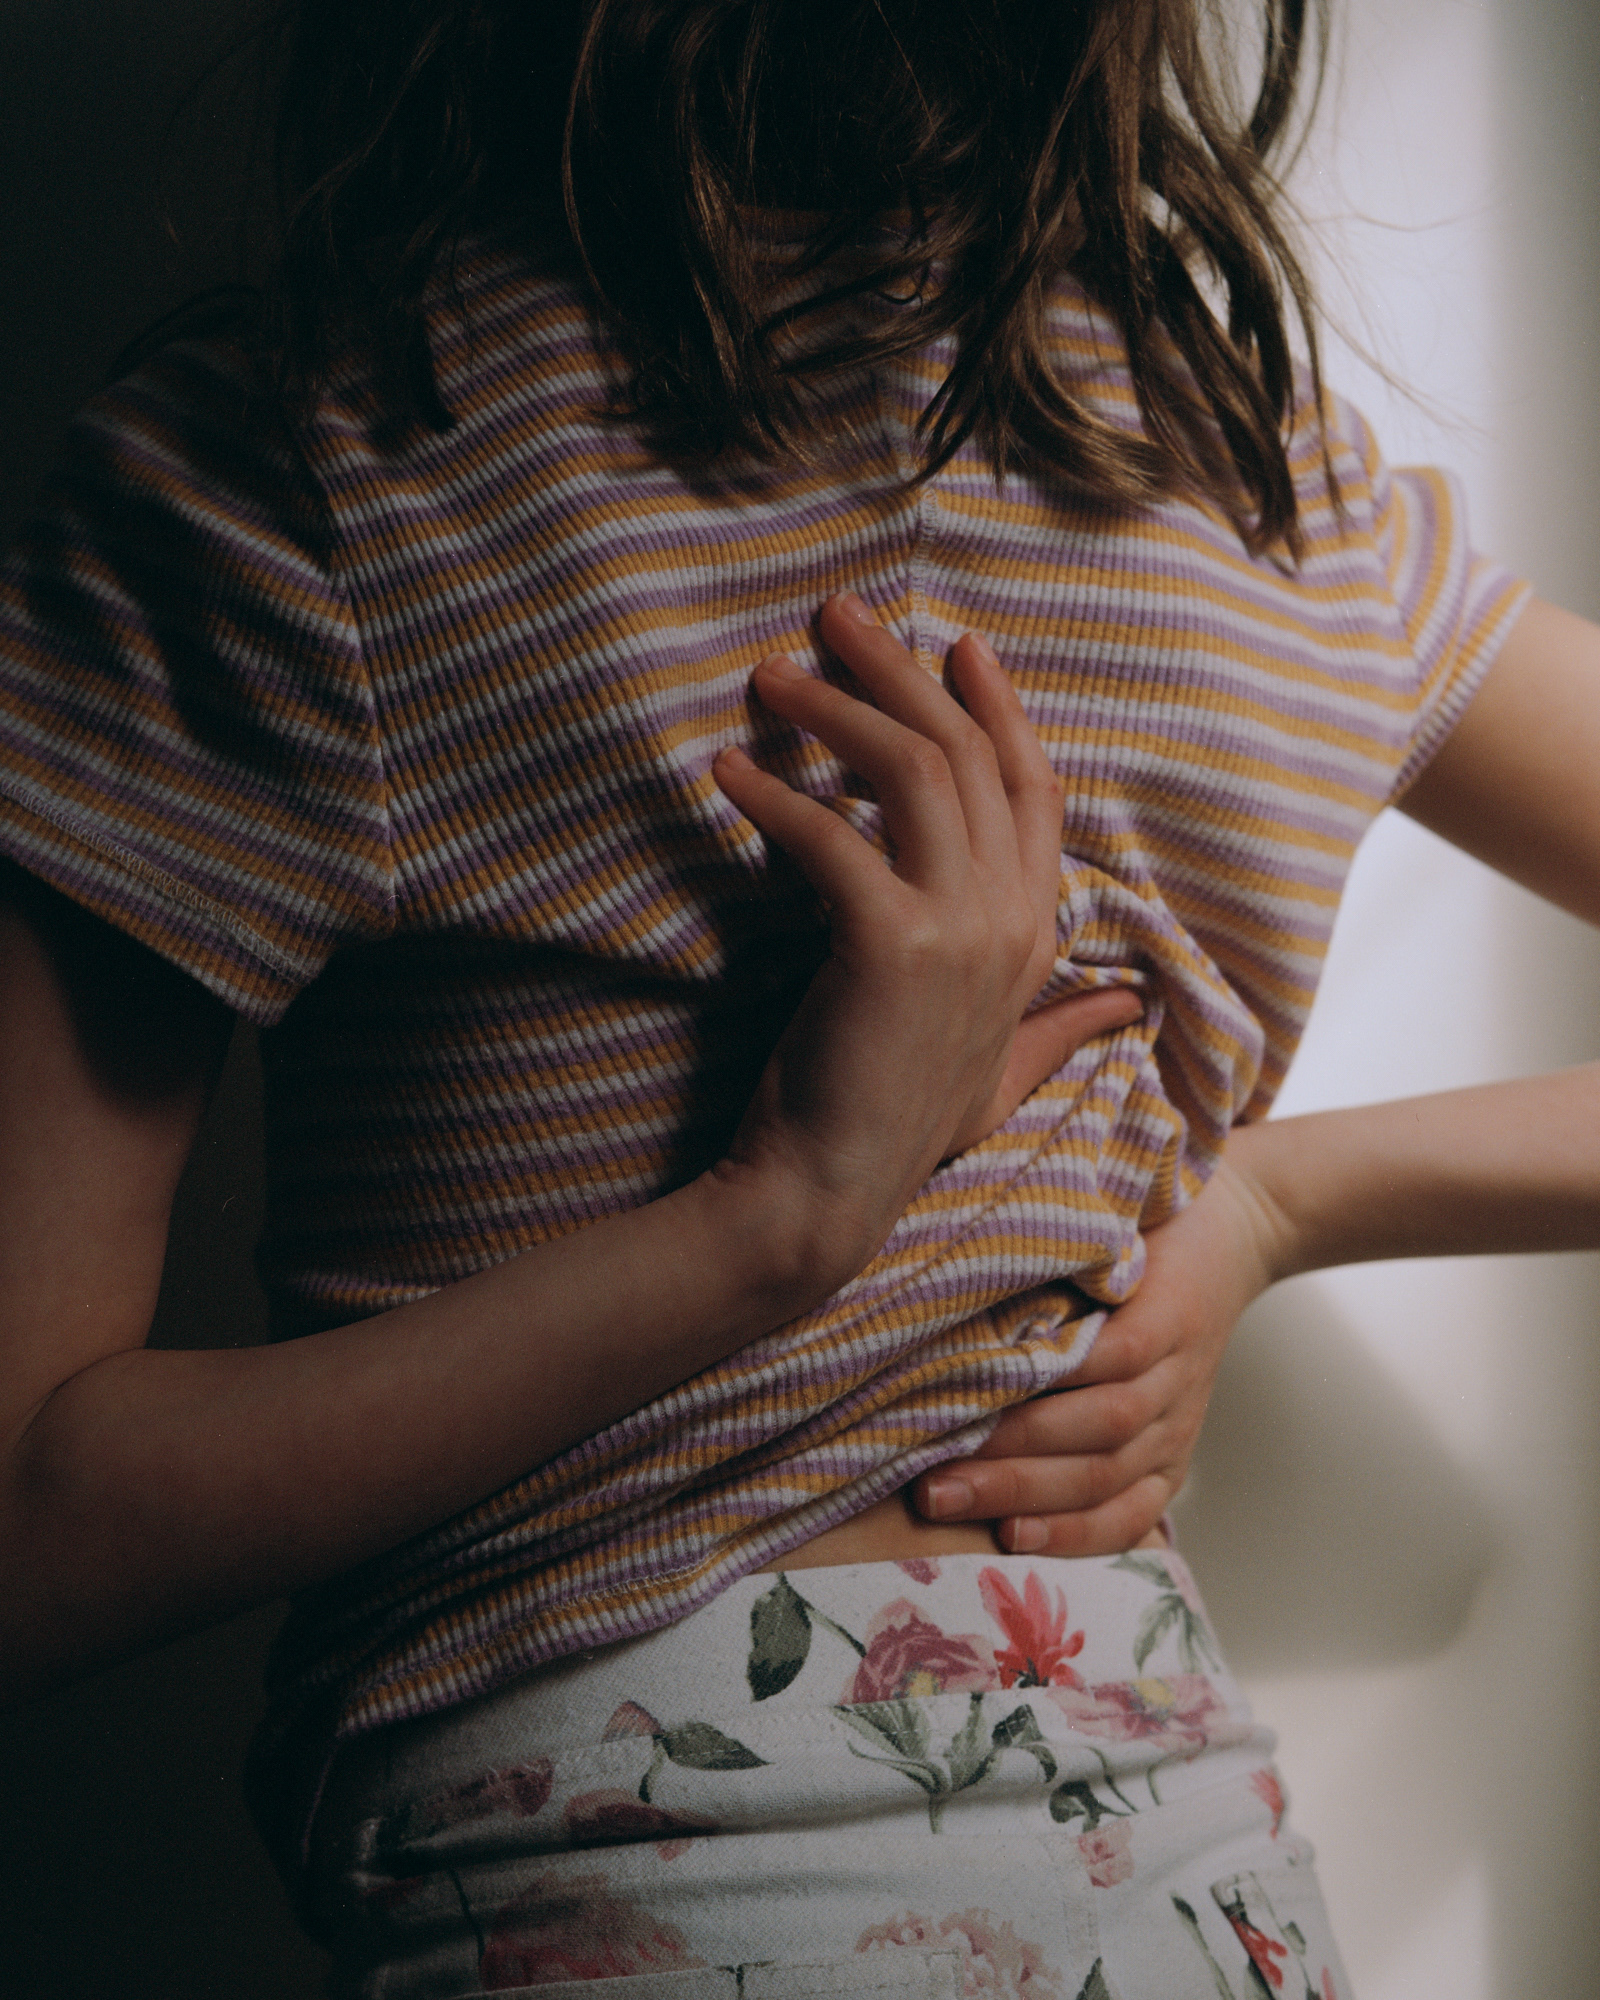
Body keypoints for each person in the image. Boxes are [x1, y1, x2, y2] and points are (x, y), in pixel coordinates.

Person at [2, 2, 1597, 1996]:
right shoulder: (1249, 483)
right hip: (1204, 1892)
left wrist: (1261, 1199)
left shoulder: (318, 459)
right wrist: (787, 1222)